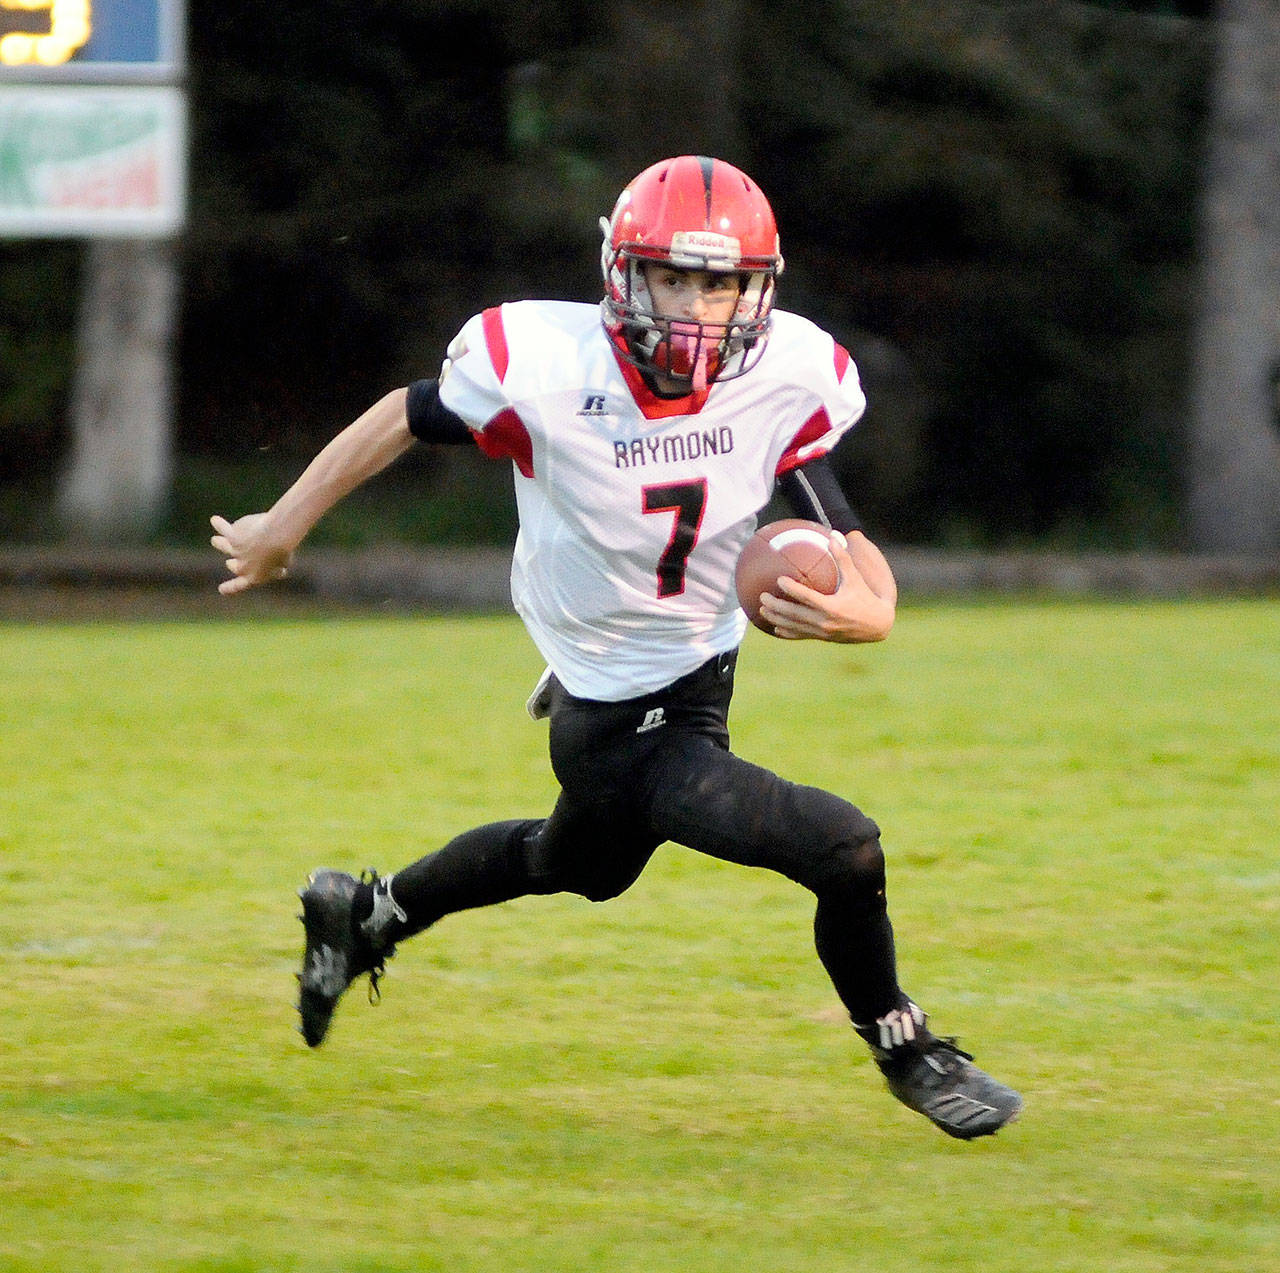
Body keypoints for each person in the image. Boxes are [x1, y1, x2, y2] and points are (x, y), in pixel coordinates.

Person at [211, 155, 1021, 1140]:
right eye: (672, 277)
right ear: (621, 274)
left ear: (755, 290)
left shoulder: (776, 377)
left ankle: (368, 913)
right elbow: (403, 414)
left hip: (695, 677)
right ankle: (907, 1046)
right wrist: (282, 528)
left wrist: (870, 611)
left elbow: (836, 523)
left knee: (577, 864)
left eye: (718, 282)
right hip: (613, 710)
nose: (694, 307)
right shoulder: (547, 370)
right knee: (841, 848)